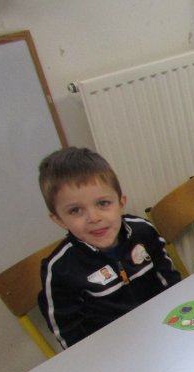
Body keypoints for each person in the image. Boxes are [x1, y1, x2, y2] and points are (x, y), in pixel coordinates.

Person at [38, 147, 181, 349]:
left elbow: (170, 282)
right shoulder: (60, 269)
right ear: (59, 219)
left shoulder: (143, 231)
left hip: (167, 333)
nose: (94, 218)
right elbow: (70, 336)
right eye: (75, 210)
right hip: (115, 353)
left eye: (103, 203)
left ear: (121, 203)